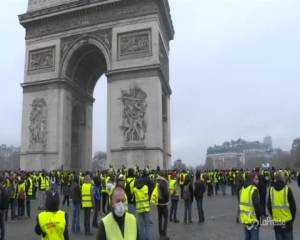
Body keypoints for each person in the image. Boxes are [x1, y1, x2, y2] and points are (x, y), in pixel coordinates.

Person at [267, 171, 296, 240]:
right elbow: (293, 208)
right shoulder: (287, 190)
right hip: (287, 222)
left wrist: (273, 215)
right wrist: (292, 219)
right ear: (283, 178)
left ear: (275, 179)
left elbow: (269, 206)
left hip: (277, 221)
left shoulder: (271, 190)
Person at [239, 172, 262, 240]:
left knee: (247, 237)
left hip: (245, 219)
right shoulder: (253, 189)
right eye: (256, 179)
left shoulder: (243, 189)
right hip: (253, 219)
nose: (258, 181)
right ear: (252, 180)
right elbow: (257, 206)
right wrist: (259, 219)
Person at [152, 173, 169, 240]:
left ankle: (160, 234)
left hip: (158, 203)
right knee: (165, 219)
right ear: (163, 176)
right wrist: (167, 199)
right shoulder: (163, 183)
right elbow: (166, 193)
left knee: (160, 219)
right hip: (164, 204)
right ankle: (164, 235)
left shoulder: (157, 182)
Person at [134, 176, 150, 240]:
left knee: (141, 226)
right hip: (146, 209)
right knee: (147, 225)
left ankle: (141, 238)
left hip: (139, 209)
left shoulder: (135, 190)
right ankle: (147, 238)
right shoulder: (146, 188)